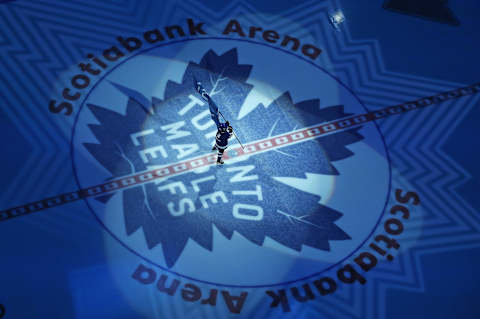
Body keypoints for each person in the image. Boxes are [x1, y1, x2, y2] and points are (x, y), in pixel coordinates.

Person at [194, 79, 233, 165]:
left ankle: (214, 148)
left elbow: (221, 125)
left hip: (217, 141)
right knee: (221, 152)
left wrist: (226, 125)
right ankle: (219, 160)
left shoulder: (220, 129)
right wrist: (230, 129)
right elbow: (230, 135)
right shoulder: (225, 133)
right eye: (225, 128)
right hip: (222, 145)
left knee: (216, 144)